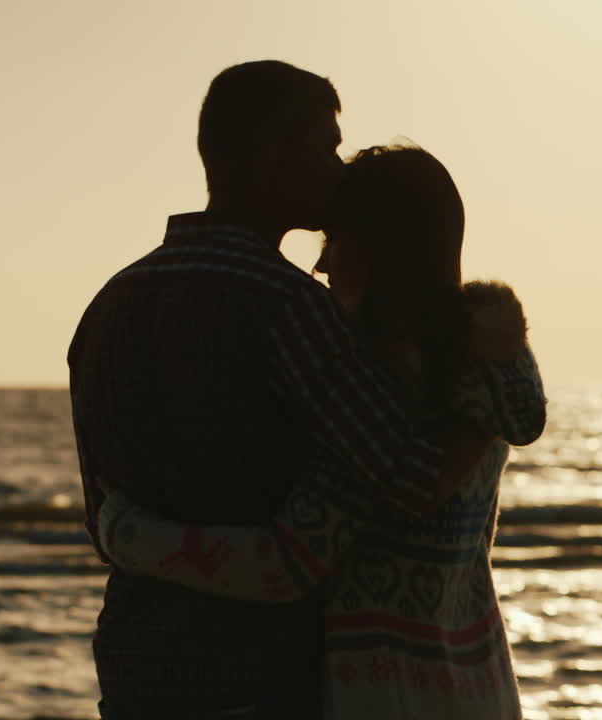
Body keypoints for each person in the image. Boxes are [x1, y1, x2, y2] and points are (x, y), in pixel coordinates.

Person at [68, 62, 525, 720]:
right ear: (273, 154)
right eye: (326, 146)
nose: (339, 170)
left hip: (134, 675)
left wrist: (129, 538)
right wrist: (490, 400)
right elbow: (409, 476)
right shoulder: (289, 306)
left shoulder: (107, 307)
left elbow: (102, 512)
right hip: (259, 679)